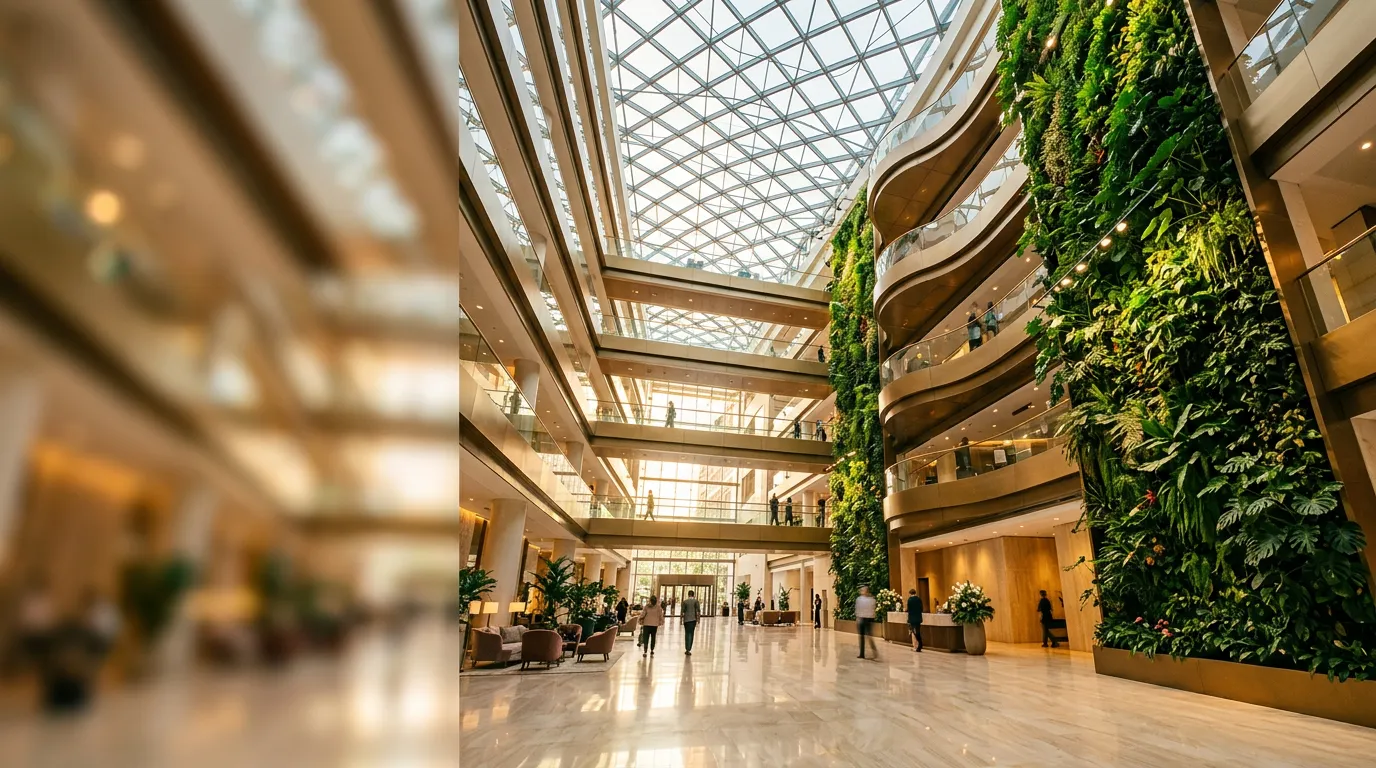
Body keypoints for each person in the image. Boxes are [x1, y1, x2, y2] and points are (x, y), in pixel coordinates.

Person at [855, 586, 878, 660]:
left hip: (866, 619)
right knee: (863, 636)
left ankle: (872, 651)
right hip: (863, 619)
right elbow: (857, 609)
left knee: (867, 636)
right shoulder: (865, 599)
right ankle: (862, 653)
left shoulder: (869, 600)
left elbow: (871, 610)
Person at [681, 590, 701, 655]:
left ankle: (687, 648)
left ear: (688, 595)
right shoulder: (696, 601)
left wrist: (681, 620)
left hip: (686, 620)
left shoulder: (684, 602)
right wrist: (698, 620)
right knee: (691, 633)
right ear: (693, 595)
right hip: (693, 620)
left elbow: (682, 611)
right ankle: (689, 648)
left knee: (687, 634)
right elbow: (698, 611)